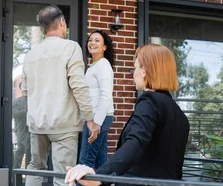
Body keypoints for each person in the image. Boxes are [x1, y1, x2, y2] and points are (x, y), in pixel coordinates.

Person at [64, 44, 191, 186]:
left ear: (144, 71)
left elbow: (135, 143)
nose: (133, 74)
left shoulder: (149, 101)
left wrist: (99, 177)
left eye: (134, 68)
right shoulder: (181, 116)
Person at [21, 5, 97, 186]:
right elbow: (79, 86)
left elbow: (25, 90)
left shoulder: (31, 55)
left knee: (35, 168)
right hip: (64, 124)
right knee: (64, 175)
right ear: (62, 22)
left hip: (37, 124)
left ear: (43, 28)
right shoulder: (70, 48)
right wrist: (90, 119)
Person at [79, 30, 115, 170]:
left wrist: (96, 123)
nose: (92, 43)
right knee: (101, 164)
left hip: (97, 119)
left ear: (104, 47)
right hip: (96, 118)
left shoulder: (103, 65)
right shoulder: (94, 66)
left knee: (85, 163)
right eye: (90, 40)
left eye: (97, 40)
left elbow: (106, 95)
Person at [12, 81, 30, 169]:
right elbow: (13, 114)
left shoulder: (34, 101)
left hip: (32, 131)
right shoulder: (17, 101)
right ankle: (15, 173)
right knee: (20, 151)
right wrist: (26, 112)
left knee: (30, 154)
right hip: (21, 130)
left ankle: (28, 175)